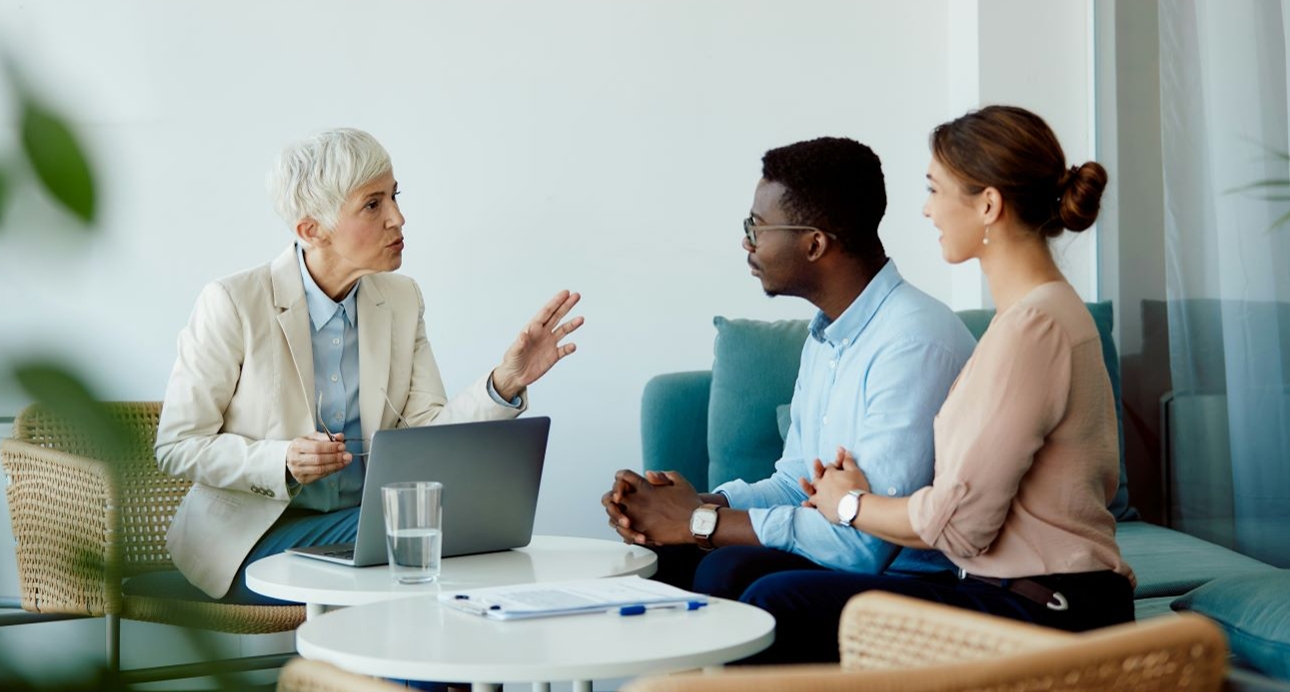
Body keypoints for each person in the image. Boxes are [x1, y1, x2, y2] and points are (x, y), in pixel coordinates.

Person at [739, 105, 1136, 664]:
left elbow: (961, 526)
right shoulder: (1032, 316)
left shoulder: (1034, 327)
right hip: (1019, 592)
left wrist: (849, 504)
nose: (926, 210)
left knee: (782, 600)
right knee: (756, 581)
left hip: (1046, 608)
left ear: (988, 205)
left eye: (935, 189)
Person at [153, 128, 583, 603]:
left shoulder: (402, 300)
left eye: (394, 196)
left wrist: (506, 381)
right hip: (252, 541)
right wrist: (282, 461)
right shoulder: (233, 303)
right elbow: (178, 445)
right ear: (311, 229)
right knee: (427, 541)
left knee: (444, 540)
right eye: (373, 205)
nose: (398, 218)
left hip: (369, 530)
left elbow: (428, 434)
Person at [602, 137, 976, 600]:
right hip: (844, 555)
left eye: (757, 227)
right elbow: (796, 485)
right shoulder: (827, 336)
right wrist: (693, 505)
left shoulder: (913, 343)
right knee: (661, 556)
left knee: (729, 572)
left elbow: (862, 544)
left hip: (909, 578)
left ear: (814, 244)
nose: (746, 241)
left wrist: (699, 522)